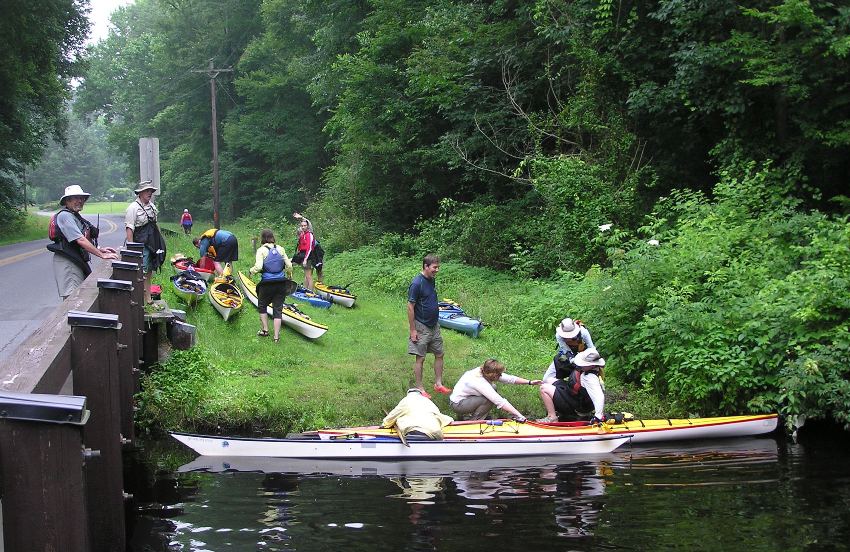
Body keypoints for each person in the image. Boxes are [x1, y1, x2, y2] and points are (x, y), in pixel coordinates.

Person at [47, 185, 119, 299]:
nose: (80, 201)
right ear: (67, 200)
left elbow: (83, 237)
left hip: (75, 259)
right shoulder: (65, 216)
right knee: (73, 299)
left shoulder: (74, 216)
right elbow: (80, 240)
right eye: (75, 198)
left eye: (81, 198)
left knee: (79, 296)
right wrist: (101, 255)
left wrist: (99, 248)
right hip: (68, 262)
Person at [407, 253, 450, 399]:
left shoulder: (431, 280)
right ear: (426, 266)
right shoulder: (416, 283)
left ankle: (438, 384)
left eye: (438, 267)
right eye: (434, 267)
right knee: (420, 358)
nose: (437, 270)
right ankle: (420, 388)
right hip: (421, 326)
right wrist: (413, 330)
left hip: (434, 326)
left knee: (440, 354)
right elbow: (410, 306)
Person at [448, 359, 542, 421]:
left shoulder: (485, 371)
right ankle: (475, 421)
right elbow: (499, 402)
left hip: (467, 398)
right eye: (499, 374)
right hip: (458, 404)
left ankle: (474, 415)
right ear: (492, 375)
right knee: (488, 399)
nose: (501, 376)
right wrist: (520, 416)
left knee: (493, 388)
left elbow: (510, 379)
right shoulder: (479, 381)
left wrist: (530, 382)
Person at [249, 229, 295, 343]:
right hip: (281, 283)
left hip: (267, 284)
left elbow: (259, 267)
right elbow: (289, 265)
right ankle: (276, 337)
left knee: (262, 305)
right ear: (272, 237)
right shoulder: (280, 248)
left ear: (262, 238)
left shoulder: (261, 250)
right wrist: (289, 275)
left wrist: (251, 271)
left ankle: (265, 330)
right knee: (278, 309)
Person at [124, 181, 167, 304]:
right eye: (147, 191)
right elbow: (129, 229)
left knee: (149, 271)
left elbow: (155, 224)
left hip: (153, 242)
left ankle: (148, 298)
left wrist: (160, 241)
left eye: (151, 191)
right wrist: (131, 250)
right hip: (141, 244)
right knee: (141, 271)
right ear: (141, 193)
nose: (150, 193)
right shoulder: (133, 208)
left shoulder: (152, 206)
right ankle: (140, 299)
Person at [538, 348, 606, 423]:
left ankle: (552, 418)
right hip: (574, 396)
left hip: (578, 406)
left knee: (543, 388)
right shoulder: (589, 369)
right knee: (549, 380)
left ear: (592, 365)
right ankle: (558, 412)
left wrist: (598, 416)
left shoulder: (590, 377)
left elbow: (599, 397)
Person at [380, 388, 454, 440]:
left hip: (415, 432)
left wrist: (384, 425)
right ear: (421, 394)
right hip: (436, 433)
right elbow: (441, 416)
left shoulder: (406, 400)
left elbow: (392, 416)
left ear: (408, 394)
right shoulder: (429, 402)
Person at [291, 212, 323, 290]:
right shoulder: (303, 235)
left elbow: (309, 248)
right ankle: (306, 289)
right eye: (301, 227)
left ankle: (318, 287)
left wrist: (301, 217)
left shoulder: (309, 234)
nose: (302, 228)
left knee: (317, 270)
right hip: (307, 254)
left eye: (304, 226)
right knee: (308, 273)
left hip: (315, 253)